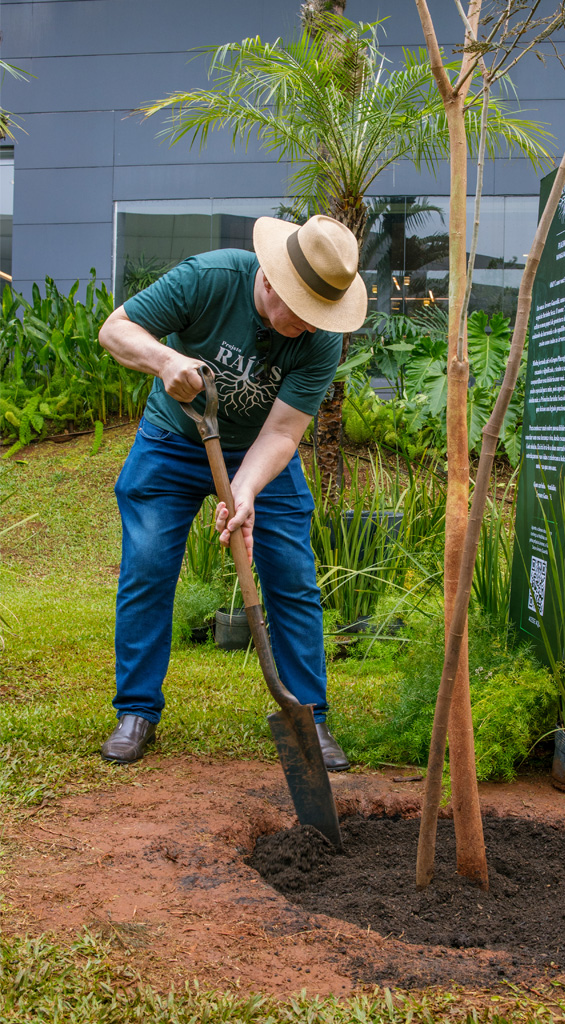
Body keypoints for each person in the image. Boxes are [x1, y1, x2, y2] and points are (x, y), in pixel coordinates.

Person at [98, 214, 367, 771]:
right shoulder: (208, 278)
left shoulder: (320, 342)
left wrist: (244, 491)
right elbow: (115, 330)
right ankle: (137, 710)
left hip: (258, 452)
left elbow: (285, 431)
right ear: (271, 281)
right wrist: (166, 359)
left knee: (292, 576)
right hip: (172, 440)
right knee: (147, 568)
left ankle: (308, 717)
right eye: (306, 312)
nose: (315, 326)